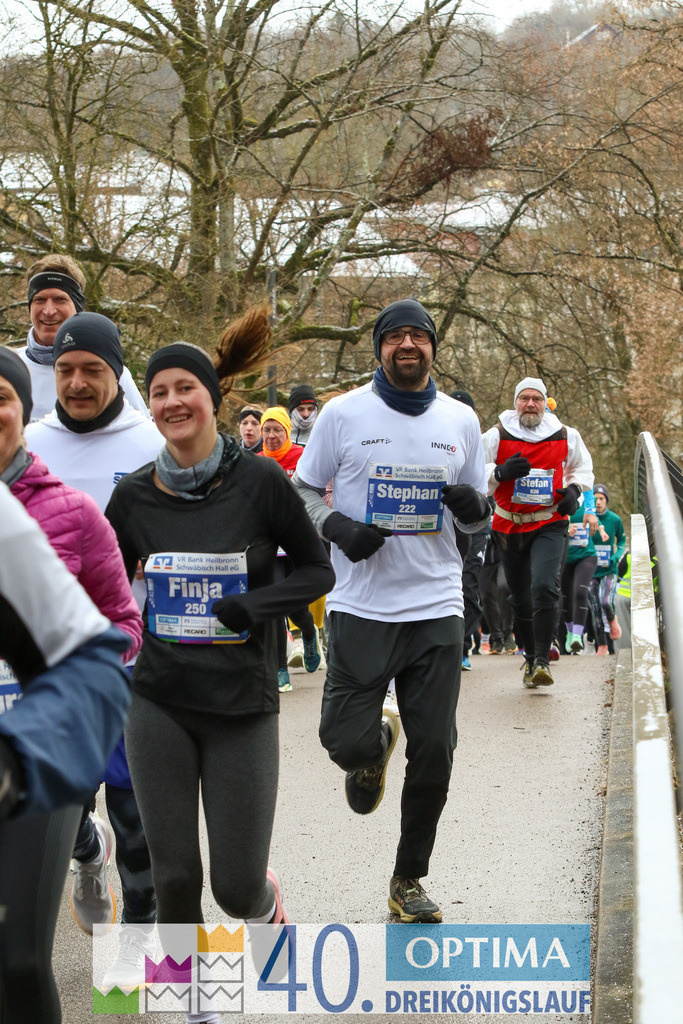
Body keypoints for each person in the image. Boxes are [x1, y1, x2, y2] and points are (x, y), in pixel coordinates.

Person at [104, 311, 334, 1022]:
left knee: (234, 887)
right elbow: (101, 585)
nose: (173, 402)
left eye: (186, 389)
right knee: (174, 876)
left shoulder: (260, 482)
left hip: (241, 705)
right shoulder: (133, 495)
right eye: (159, 392)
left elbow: (318, 570)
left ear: (211, 397)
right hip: (158, 699)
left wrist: (255, 606)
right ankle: (194, 1005)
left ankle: (267, 911)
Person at [293, 297, 489, 923]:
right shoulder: (342, 413)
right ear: (378, 347)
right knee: (342, 742)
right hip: (362, 604)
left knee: (435, 749)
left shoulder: (461, 420)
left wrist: (475, 510)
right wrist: (338, 527)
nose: (407, 344)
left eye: (418, 335)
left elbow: (479, 515)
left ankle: (408, 879)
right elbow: (302, 489)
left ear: (433, 346)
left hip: (436, 603)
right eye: (394, 335)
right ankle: (373, 745)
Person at [0, 350, 140, 1023]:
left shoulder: (59, 516)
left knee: (20, 961)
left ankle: (144, 938)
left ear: (24, 411)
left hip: (39, 755)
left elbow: (111, 634)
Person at [25, 313, 163, 987]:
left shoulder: (150, 441)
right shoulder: (28, 441)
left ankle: (136, 949)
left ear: (116, 373)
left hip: (135, 658)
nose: (77, 383)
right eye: (65, 370)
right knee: (56, 805)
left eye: (93, 370)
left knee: (136, 818)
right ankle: (87, 852)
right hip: (46, 664)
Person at [482, 377, 595, 689]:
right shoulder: (497, 434)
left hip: (549, 521)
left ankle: (543, 659)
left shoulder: (565, 434)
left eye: (537, 399)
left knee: (544, 587)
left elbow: (582, 468)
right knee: (519, 596)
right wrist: (499, 472)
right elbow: (474, 469)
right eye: (524, 398)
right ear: (516, 402)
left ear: (546, 404)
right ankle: (531, 658)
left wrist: (574, 491)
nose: (530, 404)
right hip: (509, 523)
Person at [12, 254, 148, 421]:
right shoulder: (7, 368)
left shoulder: (112, 372)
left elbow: (144, 431)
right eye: (40, 300)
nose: (49, 311)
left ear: (77, 307)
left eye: (60, 300)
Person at [259, 406, 323, 690]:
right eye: (267, 430)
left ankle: (308, 633)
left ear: (287, 431)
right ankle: (279, 669)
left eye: (277, 430)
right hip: (268, 544)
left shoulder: (302, 457)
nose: (271, 435)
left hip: (298, 541)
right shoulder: (255, 462)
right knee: (275, 602)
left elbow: (316, 491)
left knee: (295, 605)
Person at [589, 484, 626, 655]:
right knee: (595, 608)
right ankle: (602, 645)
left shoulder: (614, 519)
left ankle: (612, 620)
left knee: (605, 602)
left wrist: (617, 555)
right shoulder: (587, 518)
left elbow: (622, 541)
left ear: (606, 500)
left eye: (601, 499)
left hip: (609, 569)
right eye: (595, 499)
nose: (598, 502)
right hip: (591, 569)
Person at [561, 500, 598, 654]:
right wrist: (565, 530)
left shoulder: (588, 501)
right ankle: (570, 633)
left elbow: (597, 520)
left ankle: (577, 636)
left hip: (586, 556)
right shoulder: (560, 498)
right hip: (564, 557)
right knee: (565, 597)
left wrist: (601, 528)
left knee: (580, 592)